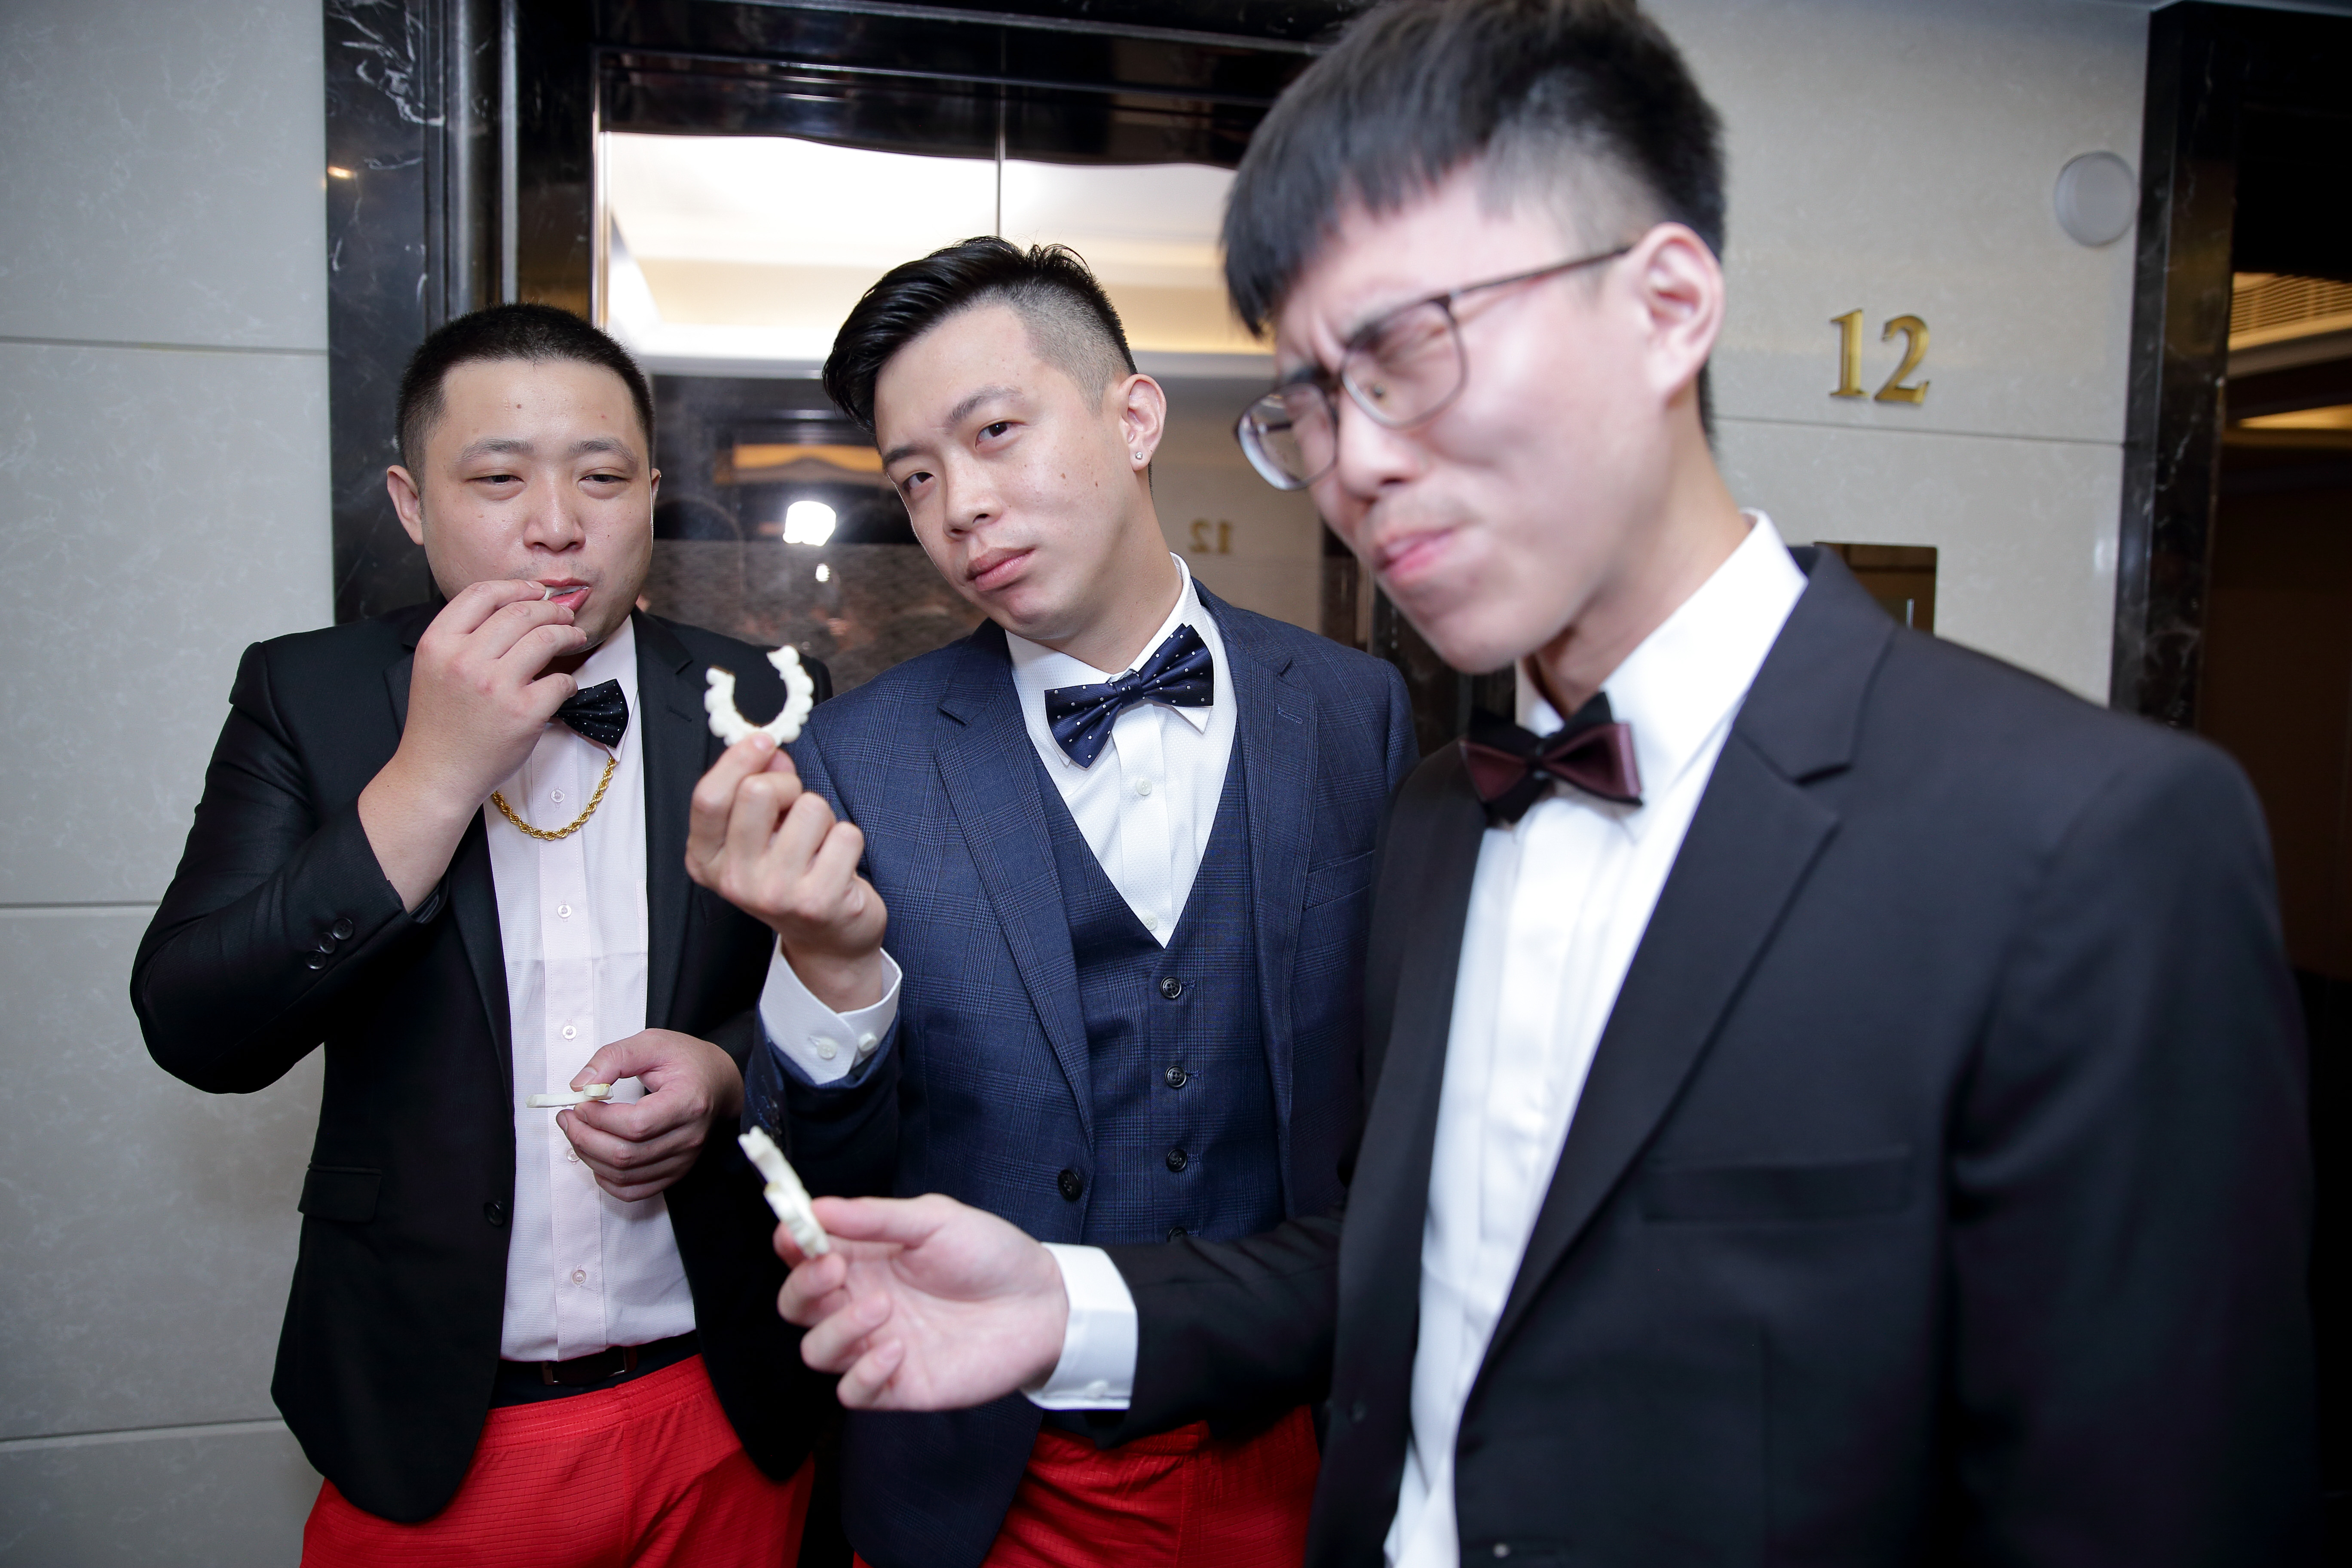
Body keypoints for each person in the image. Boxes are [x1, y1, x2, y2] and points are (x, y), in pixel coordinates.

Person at [754, 2, 2323, 1563]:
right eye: (1317, 403)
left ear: (1666, 307)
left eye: (1411, 353)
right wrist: (1067, 1301)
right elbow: (1411, 1267)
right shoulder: (1451, 815)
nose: (1360, 463)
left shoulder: (2085, 844)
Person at [682, 237, 1416, 1568]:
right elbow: (822, 1192)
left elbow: (1399, 1093)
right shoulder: (861, 757)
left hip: (1296, 1437)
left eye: (996, 434)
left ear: (1134, 418)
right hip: (991, 1469)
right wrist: (831, 970)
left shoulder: (1353, 711)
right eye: (915, 478)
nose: (960, 508)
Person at [133, 303, 835, 1565]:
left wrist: (729, 1073)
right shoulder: (306, 694)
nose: (556, 522)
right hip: (437, 1420)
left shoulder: (763, 699)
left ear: (652, 495)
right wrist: (433, 775)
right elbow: (198, 1028)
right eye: (499, 478)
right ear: (412, 504)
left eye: (602, 477)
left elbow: (839, 985)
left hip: (721, 1394)